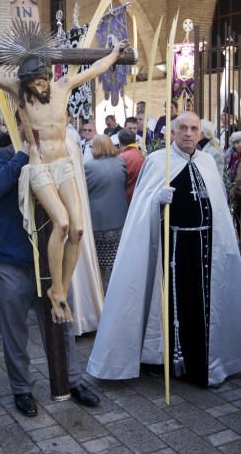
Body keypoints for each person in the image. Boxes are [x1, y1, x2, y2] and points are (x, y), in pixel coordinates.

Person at [0, 40, 127, 323]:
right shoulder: (18, 90)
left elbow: (95, 70)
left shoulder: (62, 86)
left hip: (64, 164)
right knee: (62, 223)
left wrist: (115, 53)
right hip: (39, 164)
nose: (41, 88)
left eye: (44, 82)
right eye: (36, 84)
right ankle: (57, 289)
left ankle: (60, 290)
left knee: (77, 230)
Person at [87, 112, 241, 388]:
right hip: (173, 252)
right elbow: (140, 209)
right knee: (176, 306)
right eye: (182, 128)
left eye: (194, 128)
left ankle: (204, 361)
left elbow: (217, 208)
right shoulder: (159, 162)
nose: (188, 133)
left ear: (200, 134)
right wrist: (155, 202)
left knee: (205, 305)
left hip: (207, 250)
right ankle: (170, 359)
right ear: (172, 132)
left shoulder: (207, 162)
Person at [0, 140, 100, 417]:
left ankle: (71, 380)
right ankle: (22, 388)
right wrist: (24, 155)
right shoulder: (2, 155)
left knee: (62, 322)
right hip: (13, 259)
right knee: (14, 330)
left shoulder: (58, 154)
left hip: (52, 264)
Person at [84, 135, 128, 291]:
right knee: (118, 264)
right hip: (120, 220)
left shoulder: (89, 167)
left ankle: (101, 297)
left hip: (98, 223)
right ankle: (118, 295)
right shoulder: (121, 162)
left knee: (99, 266)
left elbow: (84, 192)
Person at [118, 128, 145, 204]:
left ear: (120, 142)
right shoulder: (141, 155)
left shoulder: (121, 158)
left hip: (126, 198)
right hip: (138, 197)